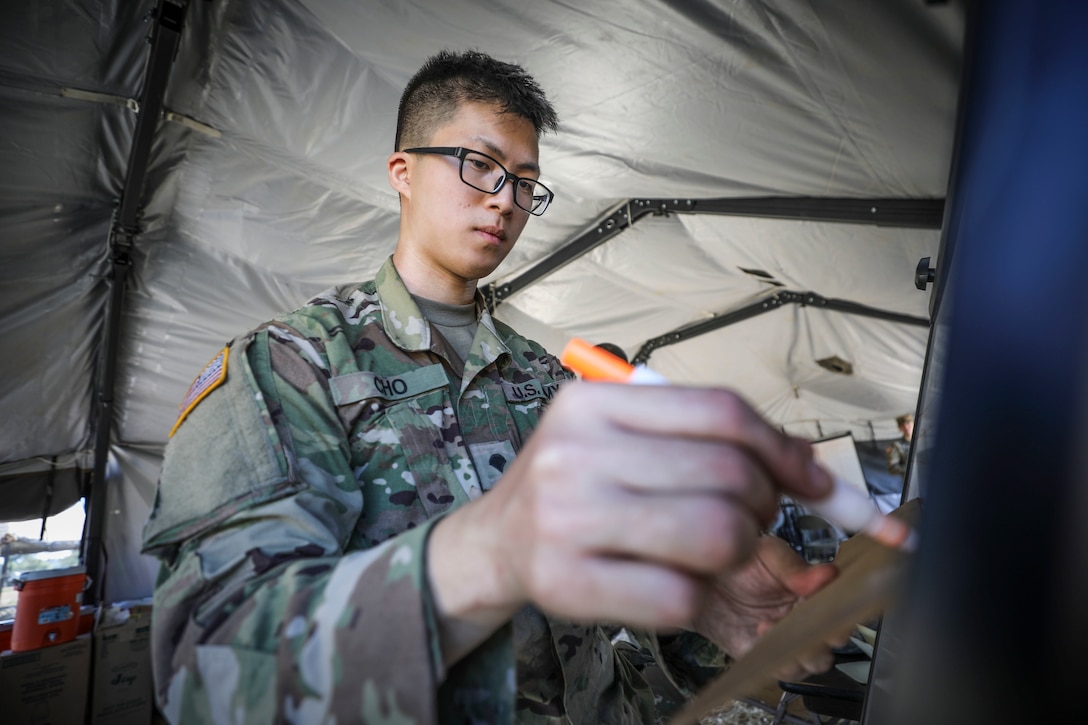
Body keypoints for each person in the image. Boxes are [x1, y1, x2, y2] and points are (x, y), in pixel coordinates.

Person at [142, 49, 843, 724]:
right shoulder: (291, 367)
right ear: (403, 171)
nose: (505, 201)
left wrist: (706, 607)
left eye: (525, 181)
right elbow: (208, 669)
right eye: (478, 166)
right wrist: (493, 549)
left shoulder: (545, 380)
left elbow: (604, 611)